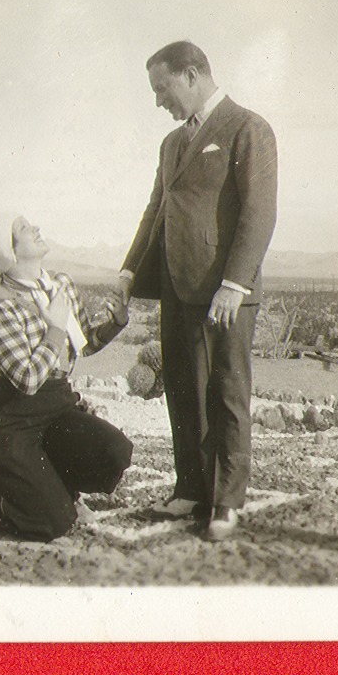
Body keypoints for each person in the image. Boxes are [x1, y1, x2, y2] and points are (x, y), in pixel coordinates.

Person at [118, 41, 278, 541]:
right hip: (175, 287)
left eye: (162, 89)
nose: (158, 102)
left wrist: (235, 283)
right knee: (184, 393)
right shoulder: (170, 145)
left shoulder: (248, 129)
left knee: (227, 392)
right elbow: (155, 211)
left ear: (191, 75)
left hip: (224, 292)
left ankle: (226, 502)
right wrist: (128, 274)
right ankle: (190, 489)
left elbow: (259, 211)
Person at [0, 212, 134, 542]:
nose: (35, 227)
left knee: (115, 452)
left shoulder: (59, 285)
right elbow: (28, 380)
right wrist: (54, 329)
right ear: (9, 251)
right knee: (53, 523)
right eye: (23, 228)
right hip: (10, 421)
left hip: (56, 410)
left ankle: (43, 485)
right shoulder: (0, 307)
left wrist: (117, 321)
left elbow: (85, 342)